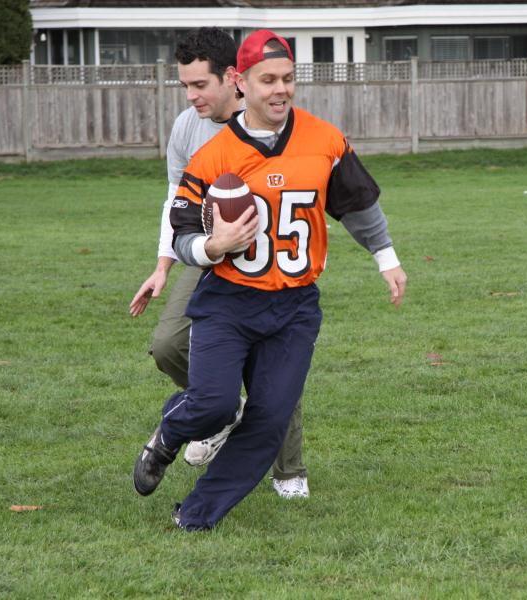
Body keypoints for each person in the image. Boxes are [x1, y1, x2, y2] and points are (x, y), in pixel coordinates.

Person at [132, 29, 408, 531]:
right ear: (242, 82)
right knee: (214, 403)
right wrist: (213, 246)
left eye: (288, 78)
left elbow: (358, 204)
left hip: (295, 305)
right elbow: (183, 230)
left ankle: (196, 514)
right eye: (268, 80)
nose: (281, 89)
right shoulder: (214, 155)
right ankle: (170, 433)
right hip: (228, 300)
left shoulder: (325, 140)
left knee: (269, 419)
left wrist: (385, 257)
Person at [127, 27, 310, 499]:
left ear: (232, 78)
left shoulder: (272, 121)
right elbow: (176, 202)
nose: (190, 96)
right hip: (209, 254)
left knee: (274, 360)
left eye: (199, 85)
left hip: (268, 260)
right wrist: (163, 265)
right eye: (185, 85)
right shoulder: (187, 127)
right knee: (168, 344)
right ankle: (222, 410)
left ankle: (289, 471)